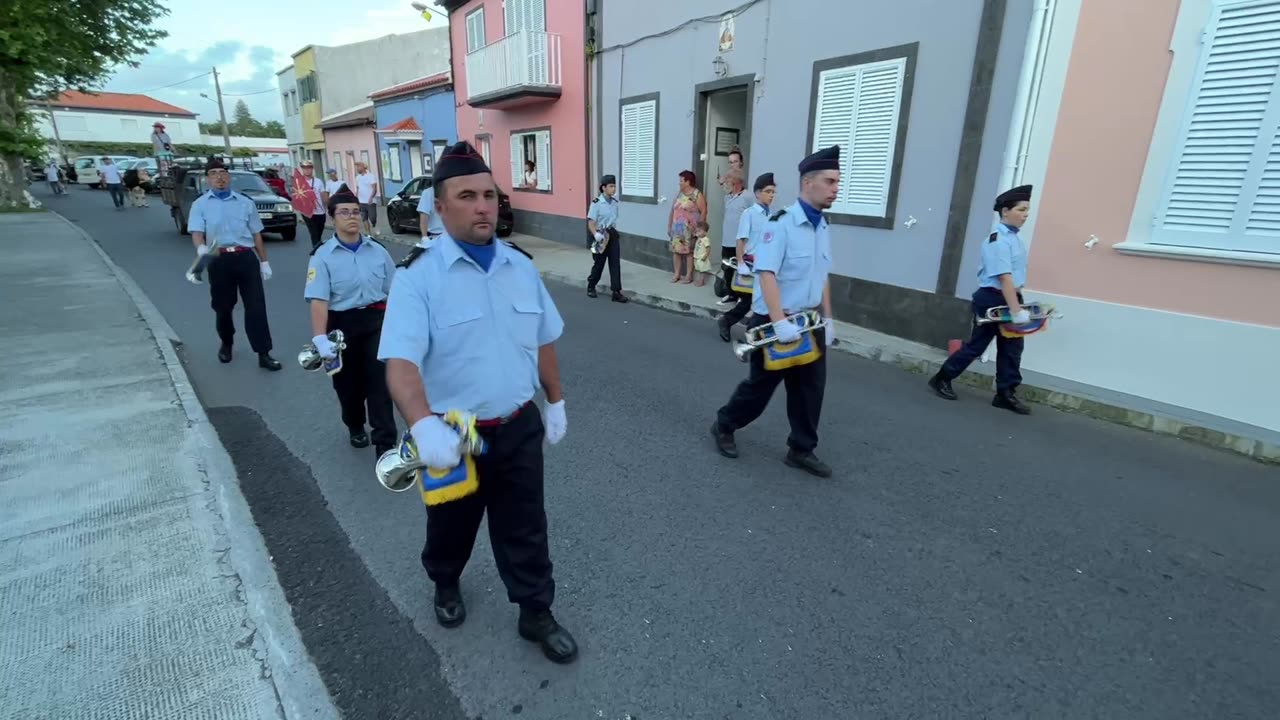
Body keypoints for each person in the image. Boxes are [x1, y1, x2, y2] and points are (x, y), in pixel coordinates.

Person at [378, 141, 577, 664]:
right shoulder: (417, 277)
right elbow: (400, 363)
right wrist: (422, 426)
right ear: (440, 209)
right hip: (455, 431)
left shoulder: (520, 267)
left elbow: (544, 338)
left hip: (517, 425)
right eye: (467, 196)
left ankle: (536, 611)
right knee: (452, 524)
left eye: (489, 195)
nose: (483, 205)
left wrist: (554, 400)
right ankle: (445, 581)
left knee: (526, 525)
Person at [709, 146, 840, 479]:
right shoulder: (780, 224)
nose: (836, 188)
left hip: (809, 321)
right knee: (760, 389)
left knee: (811, 388)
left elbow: (821, 274)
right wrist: (779, 322)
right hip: (777, 320)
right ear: (808, 182)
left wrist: (828, 317)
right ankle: (725, 423)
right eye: (829, 181)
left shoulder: (822, 226)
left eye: (837, 181)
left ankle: (801, 448)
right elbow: (766, 273)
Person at [305, 185, 399, 455]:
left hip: (375, 321)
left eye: (356, 212)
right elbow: (319, 299)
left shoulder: (377, 251)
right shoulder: (322, 256)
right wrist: (320, 338)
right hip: (340, 327)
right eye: (344, 212)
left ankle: (385, 442)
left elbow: (395, 291)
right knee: (348, 386)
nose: (352, 217)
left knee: (380, 382)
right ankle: (355, 424)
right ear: (333, 218)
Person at [928, 185, 1035, 415]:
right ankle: (942, 377)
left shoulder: (1014, 238)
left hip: (1010, 296)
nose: (1026, 214)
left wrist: (1016, 302)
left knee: (1013, 347)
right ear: (1005, 211)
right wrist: (1016, 311)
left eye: (1027, 209)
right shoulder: (997, 240)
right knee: (977, 345)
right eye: (1021, 209)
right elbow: (1004, 277)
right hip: (993, 298)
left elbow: (1013, 279)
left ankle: (1005, 393)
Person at [187, 157, 281, 371]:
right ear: (207, 179)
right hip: (218, 259)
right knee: (223, 306)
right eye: (214, 173)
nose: (219, 177)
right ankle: (226, 343)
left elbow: (256, 233)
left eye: (223, 172)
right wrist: (201, 250)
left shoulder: (244, 202)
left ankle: (263, 353)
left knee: (256, 306)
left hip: (245, 257)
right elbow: (197, 233)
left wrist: (264, 261)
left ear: (228, 176)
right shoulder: (201, 204)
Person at [717, 172, 775, 342]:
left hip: (765, 266)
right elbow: (741, 240)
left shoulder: (772, 217)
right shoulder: (749, 214)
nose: (771, 195)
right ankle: (733, 324)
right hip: (750, 265)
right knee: (751, 300)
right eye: (768, 191)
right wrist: (741, 263)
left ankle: (741, 327)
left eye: (773, 192)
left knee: (758, 301)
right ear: (758, 193)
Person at [585, 174, 626, 302]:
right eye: (611, 186)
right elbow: (591, 222)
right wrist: (595, 234)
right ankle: (591, 286)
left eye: (614, 186)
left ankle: (616, 291)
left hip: (612, 234)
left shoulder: (614, 203)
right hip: (600, 235)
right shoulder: (596, 203)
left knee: (615, 264)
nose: (614, 189)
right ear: (603, 188)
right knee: (599, 263)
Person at [718, 169, 752, 303]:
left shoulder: (747, 197)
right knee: (727, 268)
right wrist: (722, 181)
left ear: (736, 183)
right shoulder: (727, 197)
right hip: (726, 240)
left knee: (740, 269)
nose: (725, 184)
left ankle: (742, 296)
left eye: (728, 181)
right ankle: (731, 294)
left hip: (740, 242)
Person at [667, 171, 706, 283]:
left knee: (689, 252)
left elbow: (703, 211)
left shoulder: (697, 195)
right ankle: (677, 274)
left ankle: (689, 275)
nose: (679, 183)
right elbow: (672, 210)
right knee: (676, 251)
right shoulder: (679, 194)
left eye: (681, 180)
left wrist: (700, 228)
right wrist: (669, 225)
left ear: (688, 182)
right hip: (677, 228)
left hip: (690, 229)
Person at [298, 160, 330, 249]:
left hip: (320, 211)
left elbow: (323, 195)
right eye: (304, 168)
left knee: (319, 232)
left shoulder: (318, 181)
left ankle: (317, 247)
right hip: (307, 212)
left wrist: (328, 207)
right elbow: (297, 197)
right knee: (314, 232)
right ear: (302, 169)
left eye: (309, 168)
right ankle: (316, 252)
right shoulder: (299, 182)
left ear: (312, 169)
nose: (307, 170)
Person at [354, 161, 380, 237]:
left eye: (358, 166)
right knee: (364, 218)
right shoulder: (357, 177)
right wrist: (356, 198)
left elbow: (374, 188)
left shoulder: (371, 176)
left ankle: (374, 225)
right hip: (361, 201)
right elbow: (358, 188)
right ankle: (369, 234)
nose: (357, 168)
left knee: (372, 217)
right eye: (357, 166)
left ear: (363, 167)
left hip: (370, 201)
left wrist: (371, 198)